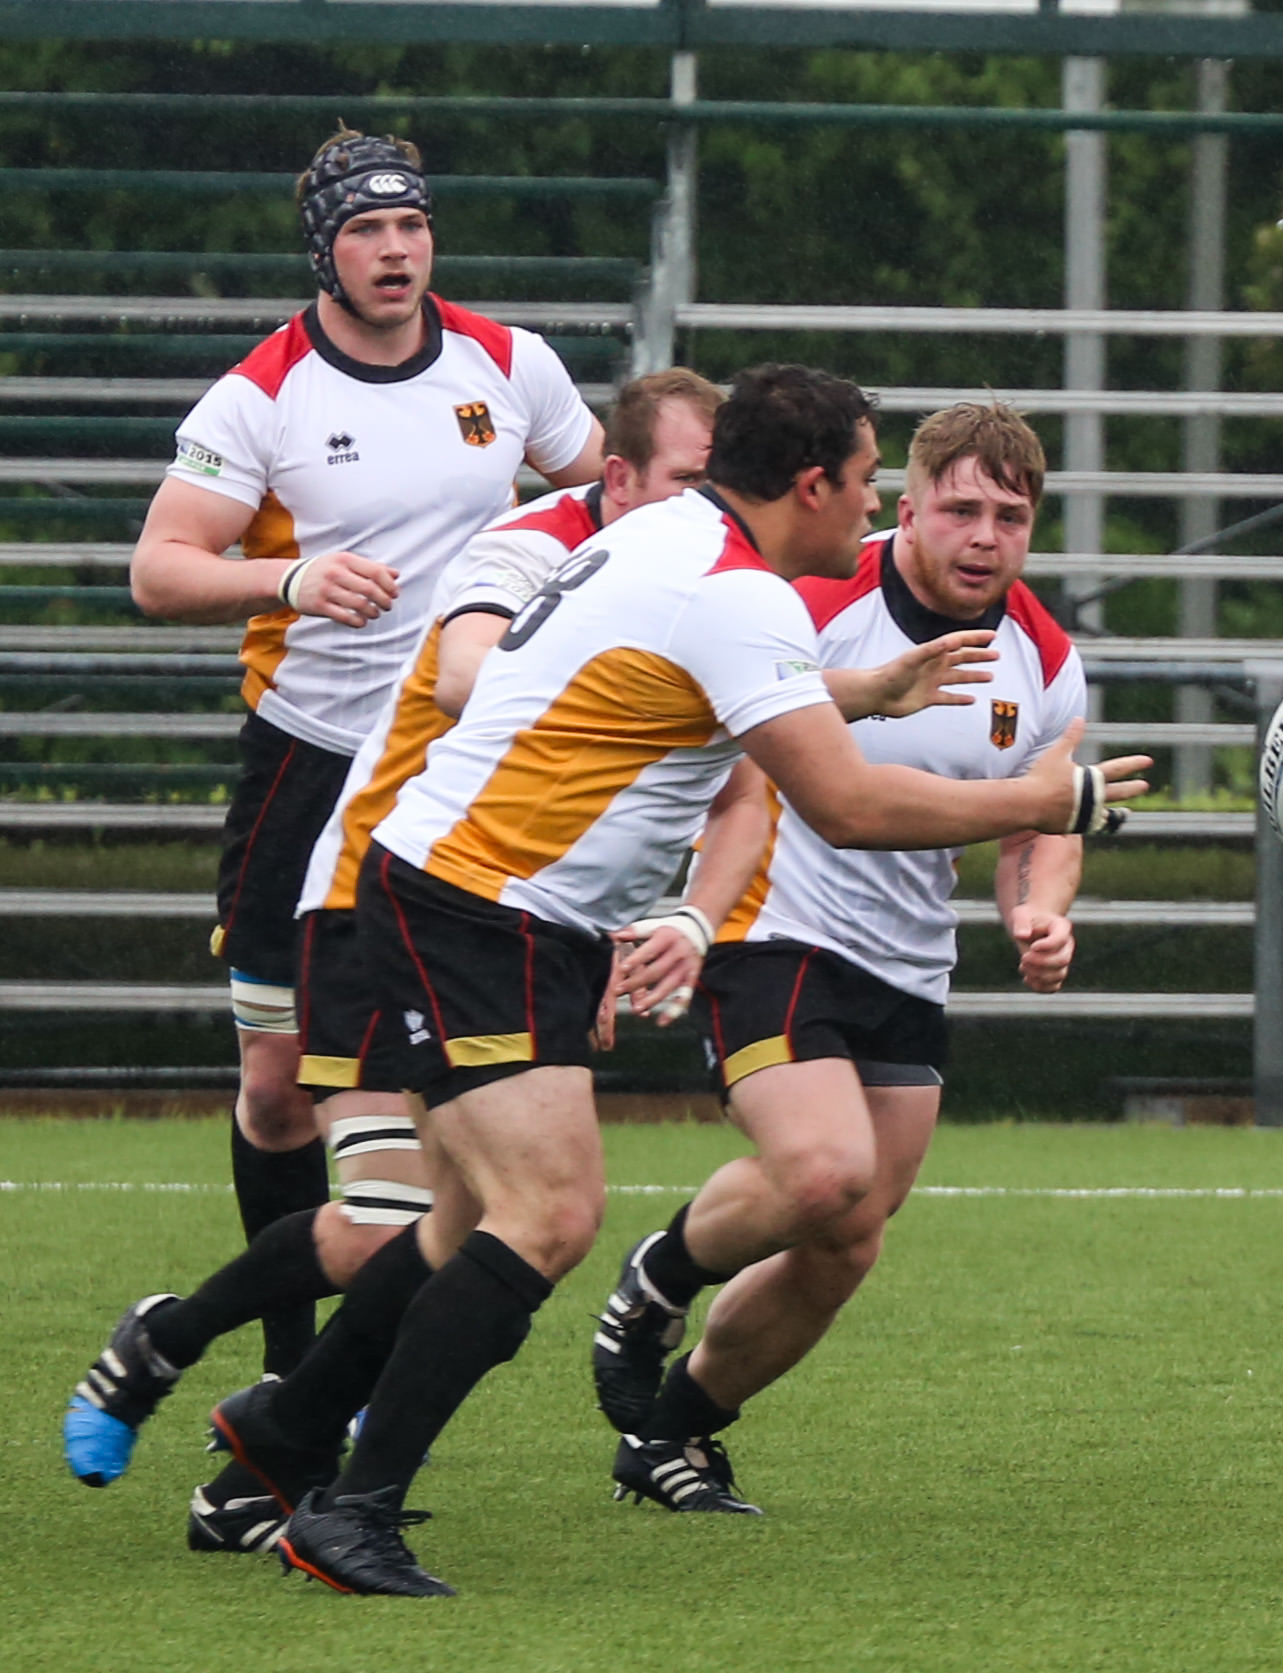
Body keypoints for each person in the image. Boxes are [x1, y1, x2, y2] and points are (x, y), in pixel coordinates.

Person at [202, 365, 1148, 1598]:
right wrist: (1050, 799)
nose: (875, 507)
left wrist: (865, 691)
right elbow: (845, 804)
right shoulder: (739, 594)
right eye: (868, 481)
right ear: (811, 485)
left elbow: (710, 689)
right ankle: (351, 1509)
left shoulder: (675, 536)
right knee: (545, 1216)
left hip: (504, 901)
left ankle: (283, 1431)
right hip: (477, 899)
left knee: (469, 1223)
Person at [63, 369, 718, 1536]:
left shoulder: (704, 579)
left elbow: (728, 782)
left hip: (511, 914)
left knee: (467, 1232)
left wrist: (653, 919)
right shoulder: (535, 546)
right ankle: (205, 1372)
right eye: (688, 480)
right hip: (389, 895)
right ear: (618, 476)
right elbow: (470, 677)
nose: (705, 506)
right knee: (411, 1222)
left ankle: (253, 1462)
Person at [120, 126, 603, 1384]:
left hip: (458, 769)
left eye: (412, 225)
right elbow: (158, 569)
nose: (396, 250)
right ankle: (285, 1360)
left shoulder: (512, 364)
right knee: (279, 1086)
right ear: (323, 250)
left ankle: (333, 1382)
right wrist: (288, 578)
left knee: (425, 1082)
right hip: (313, 762)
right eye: (366, 230)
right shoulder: (263, 392)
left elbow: (614, 502)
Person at [589, 401, 1087, 1515]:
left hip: (907, 964)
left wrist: (1039, 910)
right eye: (960, 509)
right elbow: (737, 775)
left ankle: (672, 1433)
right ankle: (656, 1278)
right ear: (906, 510)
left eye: (1009, 518)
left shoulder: (1046, 658)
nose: (984, 537)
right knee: (822, 1171)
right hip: (775, 926)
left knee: (845, 1239)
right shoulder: (808, 601)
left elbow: (1042, 819)